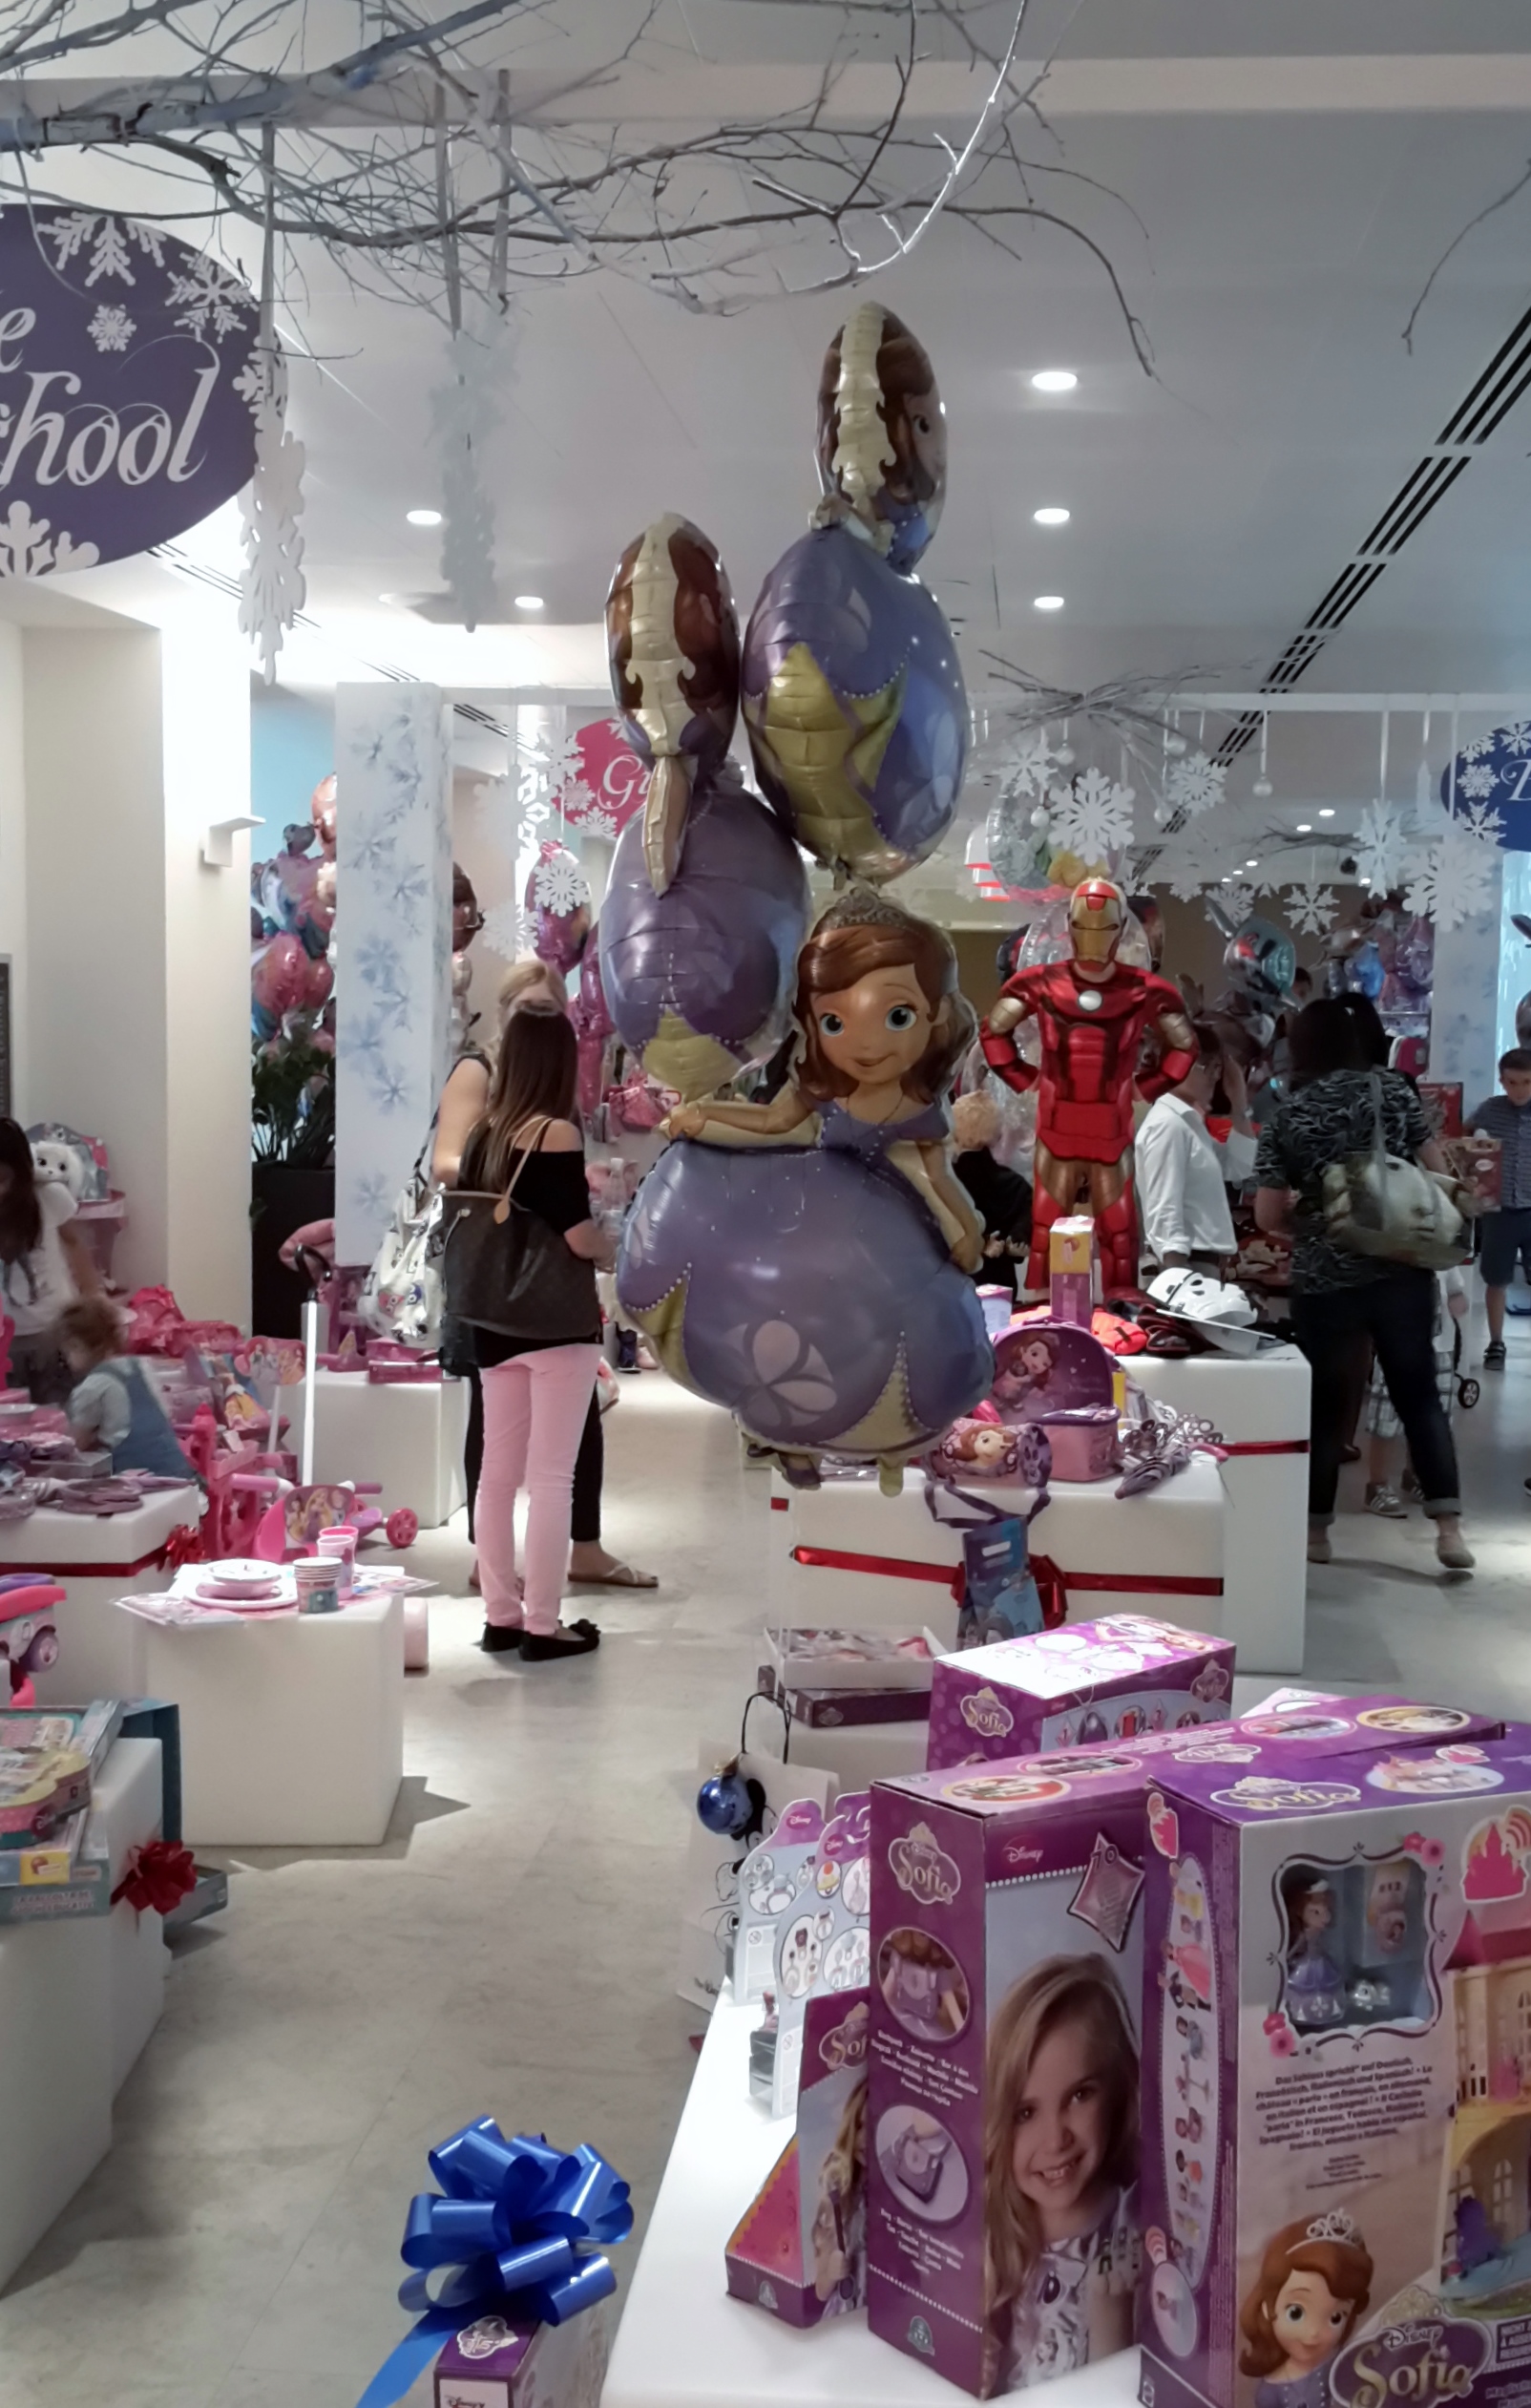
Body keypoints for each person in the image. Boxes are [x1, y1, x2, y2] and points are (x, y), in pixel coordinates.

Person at [433, 957, 655, 1594]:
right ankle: (511, 1582)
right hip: (507, 1273)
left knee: (546, 1433)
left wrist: (544, 1180)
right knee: (509, 1441)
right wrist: (530, 1174)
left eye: (549, 1010)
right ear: (506, 1014)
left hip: (523, 1276)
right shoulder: (484, 1078)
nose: (538, 1020)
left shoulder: (539, 1105)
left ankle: (555, 1563)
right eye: (529, 1009)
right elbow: (449, 1164)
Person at [1253, 998, 1473, 1572]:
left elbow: (1267, 1215)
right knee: (1419, 1397)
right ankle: (1449, 1532)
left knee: (1327, 1406)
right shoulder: (1393, 1092)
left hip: (1325, 1280)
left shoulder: (1287, 1115)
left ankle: (1315, 1535)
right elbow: (1438, 1170)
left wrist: (1310, 1217)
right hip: (1400, 1269)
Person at [451, 1004, 611, 1660]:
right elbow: (579, 1237)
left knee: (495, 1475)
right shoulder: (557, 1134)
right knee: (551, 1479)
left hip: (494, 1321)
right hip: (555, 1323)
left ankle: (501, 1617)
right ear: (561, 1062)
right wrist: (618, 1249)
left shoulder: (484, 1135)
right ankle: (544, 1626)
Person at [982, 1954, 1139, 2389]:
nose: (1055, 2140)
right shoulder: (989, 2236)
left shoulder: (1138, 2230)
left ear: (1116, 2090)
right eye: (1025, 2112)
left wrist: (1113, 2325)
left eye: (1080, 2095)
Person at [1135, 1022, 1257, 1273]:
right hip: (1188, 1264)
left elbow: (1238, 1166)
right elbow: (1164, 1211)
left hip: (1200, 1263)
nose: (1215, 1077)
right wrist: (1179, 1279)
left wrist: (1239, 1104)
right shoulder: (1168, 1125)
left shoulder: (1187, 1122)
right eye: (1206, 1066)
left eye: (1218, 1067)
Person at [0, 1120, 101, 1405]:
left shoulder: (49, 1195)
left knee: (62, 1414)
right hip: (6, 1341)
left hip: (53, 1332)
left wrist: (93, 1297)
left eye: (4, 1180)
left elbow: (75, 1243)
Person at [1237, 2213, 1373, 2408]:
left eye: (1336, 2317)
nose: (1314, 2332)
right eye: (1296, 2313)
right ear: (1267, 2306)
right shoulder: (1270, 2392)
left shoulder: (1342, 2365)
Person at [60, 1295, 197, 1479]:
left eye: (67, 1352)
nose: (67, 1361)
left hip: (137, 1481)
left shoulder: (93, 1386)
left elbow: (75, 1444)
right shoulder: (141, 1366)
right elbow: (164, 1413)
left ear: (77, 1346)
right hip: (178, 1473)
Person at [1467, 1047, 1531, 1367]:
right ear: (1502, 1081)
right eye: (1512, 1082)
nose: (1519, 1090)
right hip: (1499, 1210)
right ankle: (1496, 1342)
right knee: (1496, 1279)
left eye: (1527, 1082)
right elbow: (1465, 1141)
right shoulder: (1489, 1111)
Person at [950, 1089, 1032, 1299]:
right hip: (1001, 1285)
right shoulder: (1016, 1185)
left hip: (956, 1286)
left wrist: (981, 1243)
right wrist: (1016, 1241)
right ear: (997, 1134)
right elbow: (1021, 1234)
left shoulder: (946, 1184)